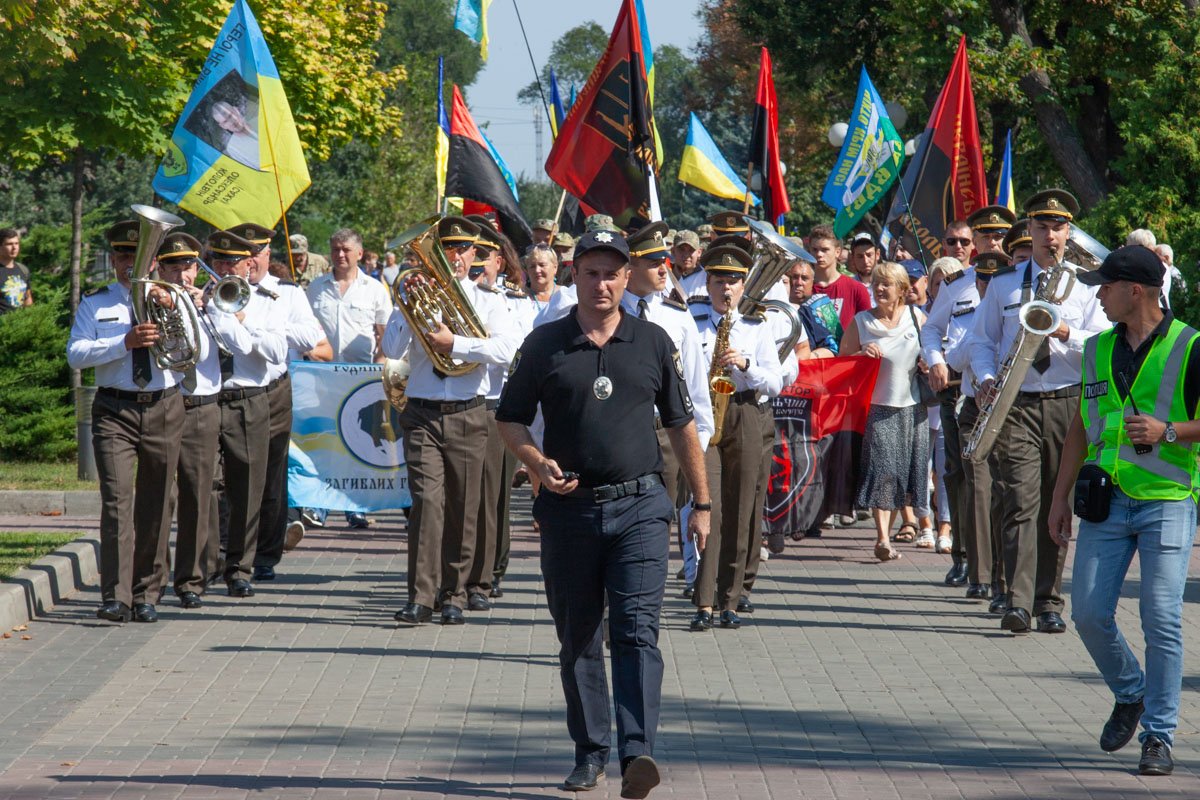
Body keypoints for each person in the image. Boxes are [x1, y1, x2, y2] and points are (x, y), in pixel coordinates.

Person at [495, 229, 710, 798]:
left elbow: (682, 424)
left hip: (640, 507)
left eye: (613, 272)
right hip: (568, 512)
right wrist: (537, 462)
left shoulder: (653, 341)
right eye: (591, 272)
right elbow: (509, 418)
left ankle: (637, 753)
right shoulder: (545, 344)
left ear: (627, 276)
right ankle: (590, 752)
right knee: (580, 637)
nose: (603, 283)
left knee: (637, 632)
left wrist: (702, 503)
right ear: (575, 274)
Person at [1047, 244, 1200, 777]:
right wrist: (1058, 497)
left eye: (1105, 285)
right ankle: (1130, 691)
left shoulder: (1191, 346)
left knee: (1161, 620)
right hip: (1104, 501)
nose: (1098, 294)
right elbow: (1079, 428)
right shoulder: (1096, 349)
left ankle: (1158, 736)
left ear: (1135, 289)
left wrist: (1170, 432)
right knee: (1087, 613)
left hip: (1167, 502)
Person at [970, 189, 1109, 634]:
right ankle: (1018, 601)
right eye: (1042, 227)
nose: (1050, 235)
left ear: (1069, 232)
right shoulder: (1006, 285)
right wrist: (987, 377)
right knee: (1020, 501)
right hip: (1018, 400)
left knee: (1057, 499)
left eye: (1059, 227)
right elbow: (981, 341)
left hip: (1069, 402)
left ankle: (1050, 600)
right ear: (1028, 230)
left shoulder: (1086, 286)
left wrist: (1063, 328)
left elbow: (1103, 343)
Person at [383, 216, 518, 626]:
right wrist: (406, 306)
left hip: (468, 412)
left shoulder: (490, 301)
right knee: (427, 504)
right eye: (446, 250)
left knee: (463, 506)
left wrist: (454, 343)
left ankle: (454, 594)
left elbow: (508, 350)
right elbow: (391, 349)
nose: (454, 257)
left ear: (475, 254)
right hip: (422, 412)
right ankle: (420, 596)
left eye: (462, 250)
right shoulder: (415, 295)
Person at [66, 220, 184, 623]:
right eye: (121, 256)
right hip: (114, 409)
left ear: (152, 260)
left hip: (164, 406)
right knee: (117, 501)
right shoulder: (96, 303)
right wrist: (124, 343)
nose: (127, 263)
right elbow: (76, 354)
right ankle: (115, 596)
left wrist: (177, 315)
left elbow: (197, 354)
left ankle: (147, 593)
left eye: (137, 256)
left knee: (156, 504)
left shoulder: (173, 297)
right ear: (113, 259)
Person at [687, 245, 784, 632]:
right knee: (708, 507)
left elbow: (775, 382)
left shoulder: (757, 326)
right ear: (707, 284)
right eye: (719, 281)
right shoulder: (691, 322)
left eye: (733, 281)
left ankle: (730, 600)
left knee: (742, 508)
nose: (726, 289)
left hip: (743, 411)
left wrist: (746, 364)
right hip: (705, 416)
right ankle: (704, 601)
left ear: (744, 286)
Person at [206, 229, 290, 598]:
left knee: (248, 487)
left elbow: (277, 349)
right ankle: (206, 564)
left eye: (233, 262)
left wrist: (239, 319)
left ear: (247, 265)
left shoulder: (267, 300)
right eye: (218, 261)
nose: (225, 268)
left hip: (248, 397)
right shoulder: (198, 300)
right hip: (206, 399)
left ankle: (240, 568)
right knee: (204, 487)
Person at [152, 233, 232, 610]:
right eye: (175, 266)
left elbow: (233, 346)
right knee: (161, 498)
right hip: (166, 404)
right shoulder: (152, 302)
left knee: (199, 496)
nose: (184, 274)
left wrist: (210, 307)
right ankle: (153, 579)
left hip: (203, 406)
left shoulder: (210, 302)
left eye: (188, 266)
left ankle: (191, 580)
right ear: (161, 269)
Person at [839, 261, 931, 562]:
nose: (879, 288)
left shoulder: (917, 317)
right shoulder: (862, 321)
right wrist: (860, 354)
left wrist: (929, 363)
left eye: (886, 283)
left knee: (901, 475)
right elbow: (841, 362)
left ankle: (886, 538)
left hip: (912, 408)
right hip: (877, 409)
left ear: (902, 290)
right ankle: (880, 537)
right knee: (884, 472)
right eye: (876, 282)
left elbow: (933, 350)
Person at [305, 228, 392, 532]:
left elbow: (386, 337)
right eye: (335, 249)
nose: (339, 255)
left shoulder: (375, 290)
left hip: (360, 379)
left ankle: (355, 508)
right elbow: (304, 332)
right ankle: (319, 507)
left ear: (359, 252)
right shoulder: (315, 288)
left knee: (356, 445)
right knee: (324, 443)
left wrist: (377, 370)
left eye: (345, 249)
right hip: (322, 378)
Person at [947, 253, 1009, 607]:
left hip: (1013, 406)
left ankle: (1003, 574)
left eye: (993, 279)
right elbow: (954, 360)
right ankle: (981, 574)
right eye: (982, 279)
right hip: (975, 408)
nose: (986, 285)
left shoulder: (1016, 311)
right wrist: (975, 336)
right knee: (980, 489)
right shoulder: (966, 312)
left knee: (1007, 493)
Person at [923, 250, 981, 584]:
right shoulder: (959, 286)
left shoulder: (1017, 281)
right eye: (985, 235)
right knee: (957, 474)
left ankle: (989, 561)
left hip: (997, 388)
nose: (993, 242)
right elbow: (931, 330)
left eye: (999, 236)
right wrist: (935, 360)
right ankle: (962, 555)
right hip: (956, 390)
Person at [808, 224, 872, 336]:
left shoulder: (856, 289)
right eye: (815, 249)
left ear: (837, 252)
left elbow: (868, 330)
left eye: (825, 250)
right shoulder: (803, 287)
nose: (819, 254)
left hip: (846, 352)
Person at [0, 227, 31, 314]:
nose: (14, 247)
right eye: (9, 244)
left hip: (20, 325)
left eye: (16, 243)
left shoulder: (23, 270)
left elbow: (28, 299)